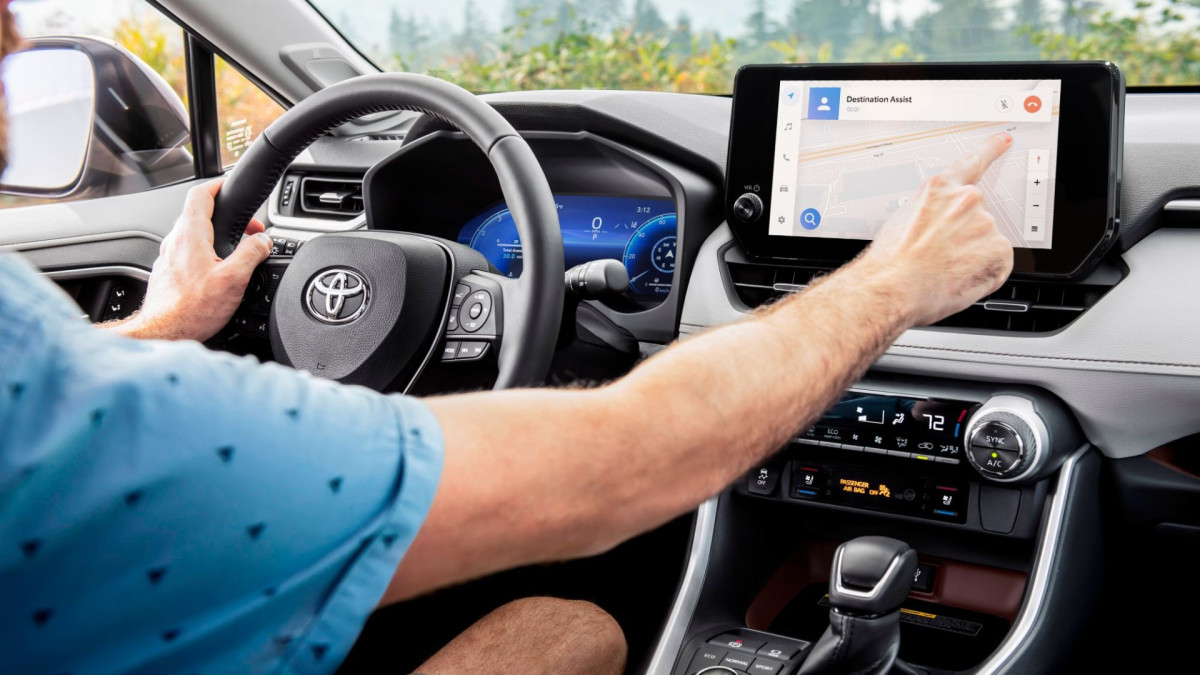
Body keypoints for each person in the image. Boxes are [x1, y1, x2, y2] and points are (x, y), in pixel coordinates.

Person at [0, 5, 1015, 674]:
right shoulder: (86, 429)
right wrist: (894, 280)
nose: (15, 41)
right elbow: (628, 461)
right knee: (573, 628)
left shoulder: (59, 400)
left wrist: (167, 326)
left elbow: (74, 387)